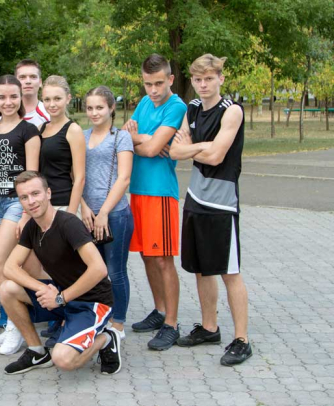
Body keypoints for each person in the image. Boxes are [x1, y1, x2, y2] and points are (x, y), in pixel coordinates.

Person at [169, 54, 252, 366]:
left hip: (222, 203)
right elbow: (174, 151)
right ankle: (209, 328)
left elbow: (217, 157)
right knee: (202, 269)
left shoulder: (232, 111)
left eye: (209, 78)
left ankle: (242, 340)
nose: (203, 85)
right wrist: (203, 147)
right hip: (195, 199)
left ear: (220, 78)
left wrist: (196, 149)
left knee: (229, 272)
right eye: (198, 79)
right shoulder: (191, 108)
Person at [0, 171, 121, 375]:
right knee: (7, 289)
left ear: (48, 193)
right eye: (24, 197)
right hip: (61, 295)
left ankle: (107, 338)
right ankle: (36, 351)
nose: (31, 201)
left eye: (35, 193)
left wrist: (60, 297)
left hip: (92, 301)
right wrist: (44, 289)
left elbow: (99, 269)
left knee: (63, 359)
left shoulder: (68, 224)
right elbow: (10, 267)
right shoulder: (32, 227)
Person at [122, 54, 187, 351]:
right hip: (137, 190)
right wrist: (145, 139)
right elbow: (128, 139)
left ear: (170, 79)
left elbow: (150, 150)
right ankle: (160, 311)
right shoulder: (144, 103)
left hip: (161, 193)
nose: (153, 90)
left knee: (162, 259)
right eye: (148, 84)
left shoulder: (176, 106)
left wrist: (142, 141)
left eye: (159, 83)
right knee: (147, 256)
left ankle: (172, 324)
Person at [0, 75, 41, 355]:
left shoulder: (29, 130)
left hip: (15, 203)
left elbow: (32, 175)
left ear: (21, 98)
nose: (8, 102)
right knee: (4, 265)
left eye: (13, 96)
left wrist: (27, 212)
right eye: (2, 97)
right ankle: (11, 322)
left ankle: (18, 327)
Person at [81, 86, 134, 342]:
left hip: (114, 215)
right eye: (90, 108)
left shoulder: (121, 137)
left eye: (100, 107)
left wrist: (103, 212)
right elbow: (75, 175)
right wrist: (83, 206)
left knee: (115, 271)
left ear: (111, 108)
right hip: (88, 215)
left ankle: (118, 323)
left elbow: (124, 178)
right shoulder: (81, 136)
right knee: (95, 270)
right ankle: (100, 317)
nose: (94, 112)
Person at [38, 75, 86, 346]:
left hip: (62, 205)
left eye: (57, 98)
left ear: (68, 98)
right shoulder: (42, 128)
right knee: (48, 265)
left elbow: (78, 176)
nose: (52, 104)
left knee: (65, 265)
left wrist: (69, 214)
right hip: (42, 206)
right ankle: (55, 318)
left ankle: (69, 321)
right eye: (47, 99)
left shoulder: (73, 130)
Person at [0, 59, 50, 127]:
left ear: (40, 82)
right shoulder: (0, 115)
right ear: (15, 81)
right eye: (22, 77)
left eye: (33, 77)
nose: (28, 81)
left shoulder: (49, 113)